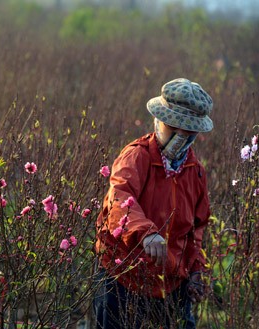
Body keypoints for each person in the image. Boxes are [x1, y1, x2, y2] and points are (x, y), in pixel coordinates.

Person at [94, 78, 213, 329]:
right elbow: (119, 196)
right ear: (159, 121)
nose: (180, 137)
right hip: (124, 278)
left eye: (187, 132)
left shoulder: (195, 172)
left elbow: (197, 228)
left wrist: (195, 270)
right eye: (174, 128)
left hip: (171, 284)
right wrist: (146, 233)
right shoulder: (137, 156)